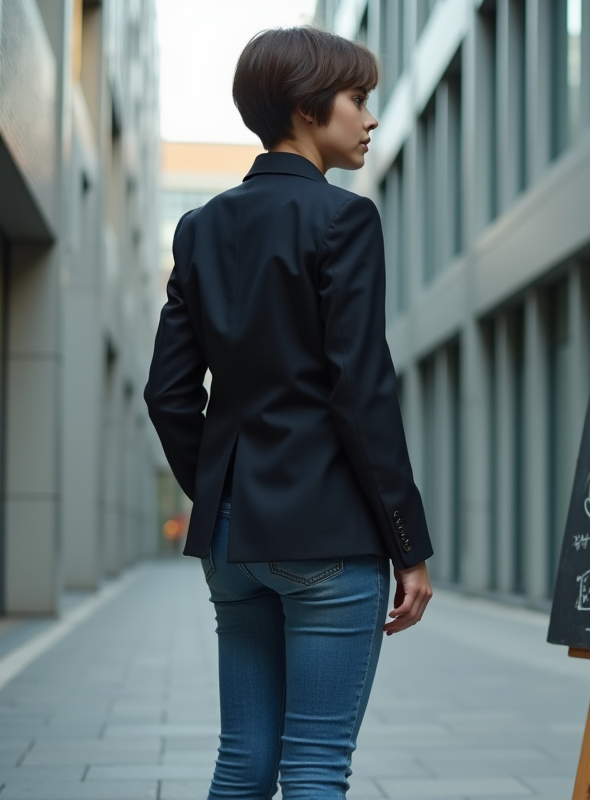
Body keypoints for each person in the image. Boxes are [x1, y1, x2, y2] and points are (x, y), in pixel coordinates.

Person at [144, 26, 433, 800]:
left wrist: (219, 491)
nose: (370, 118)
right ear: (308, 108)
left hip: (232, 539)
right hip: (329, 533)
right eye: (358, 99)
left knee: (243, 762)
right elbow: (362, 391)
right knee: (313, 766)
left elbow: (169, 393)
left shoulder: (199, 229)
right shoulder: (344, 220)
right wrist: (408, 543)